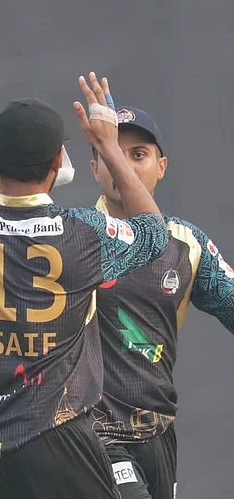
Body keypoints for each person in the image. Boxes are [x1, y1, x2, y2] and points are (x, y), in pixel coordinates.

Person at [0, 73, 170, 499]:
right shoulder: (86, 233)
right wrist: (109, 146)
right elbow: (153, 234)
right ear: (59, 164)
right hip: (60, 440)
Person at [88, 106, 234, 499]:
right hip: (88, 432)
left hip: (157, 429)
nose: (123, 166)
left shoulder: (187, 244)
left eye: (137, 155)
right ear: (94, 168)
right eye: (112, 154)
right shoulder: (72, 235)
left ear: (162, 166)